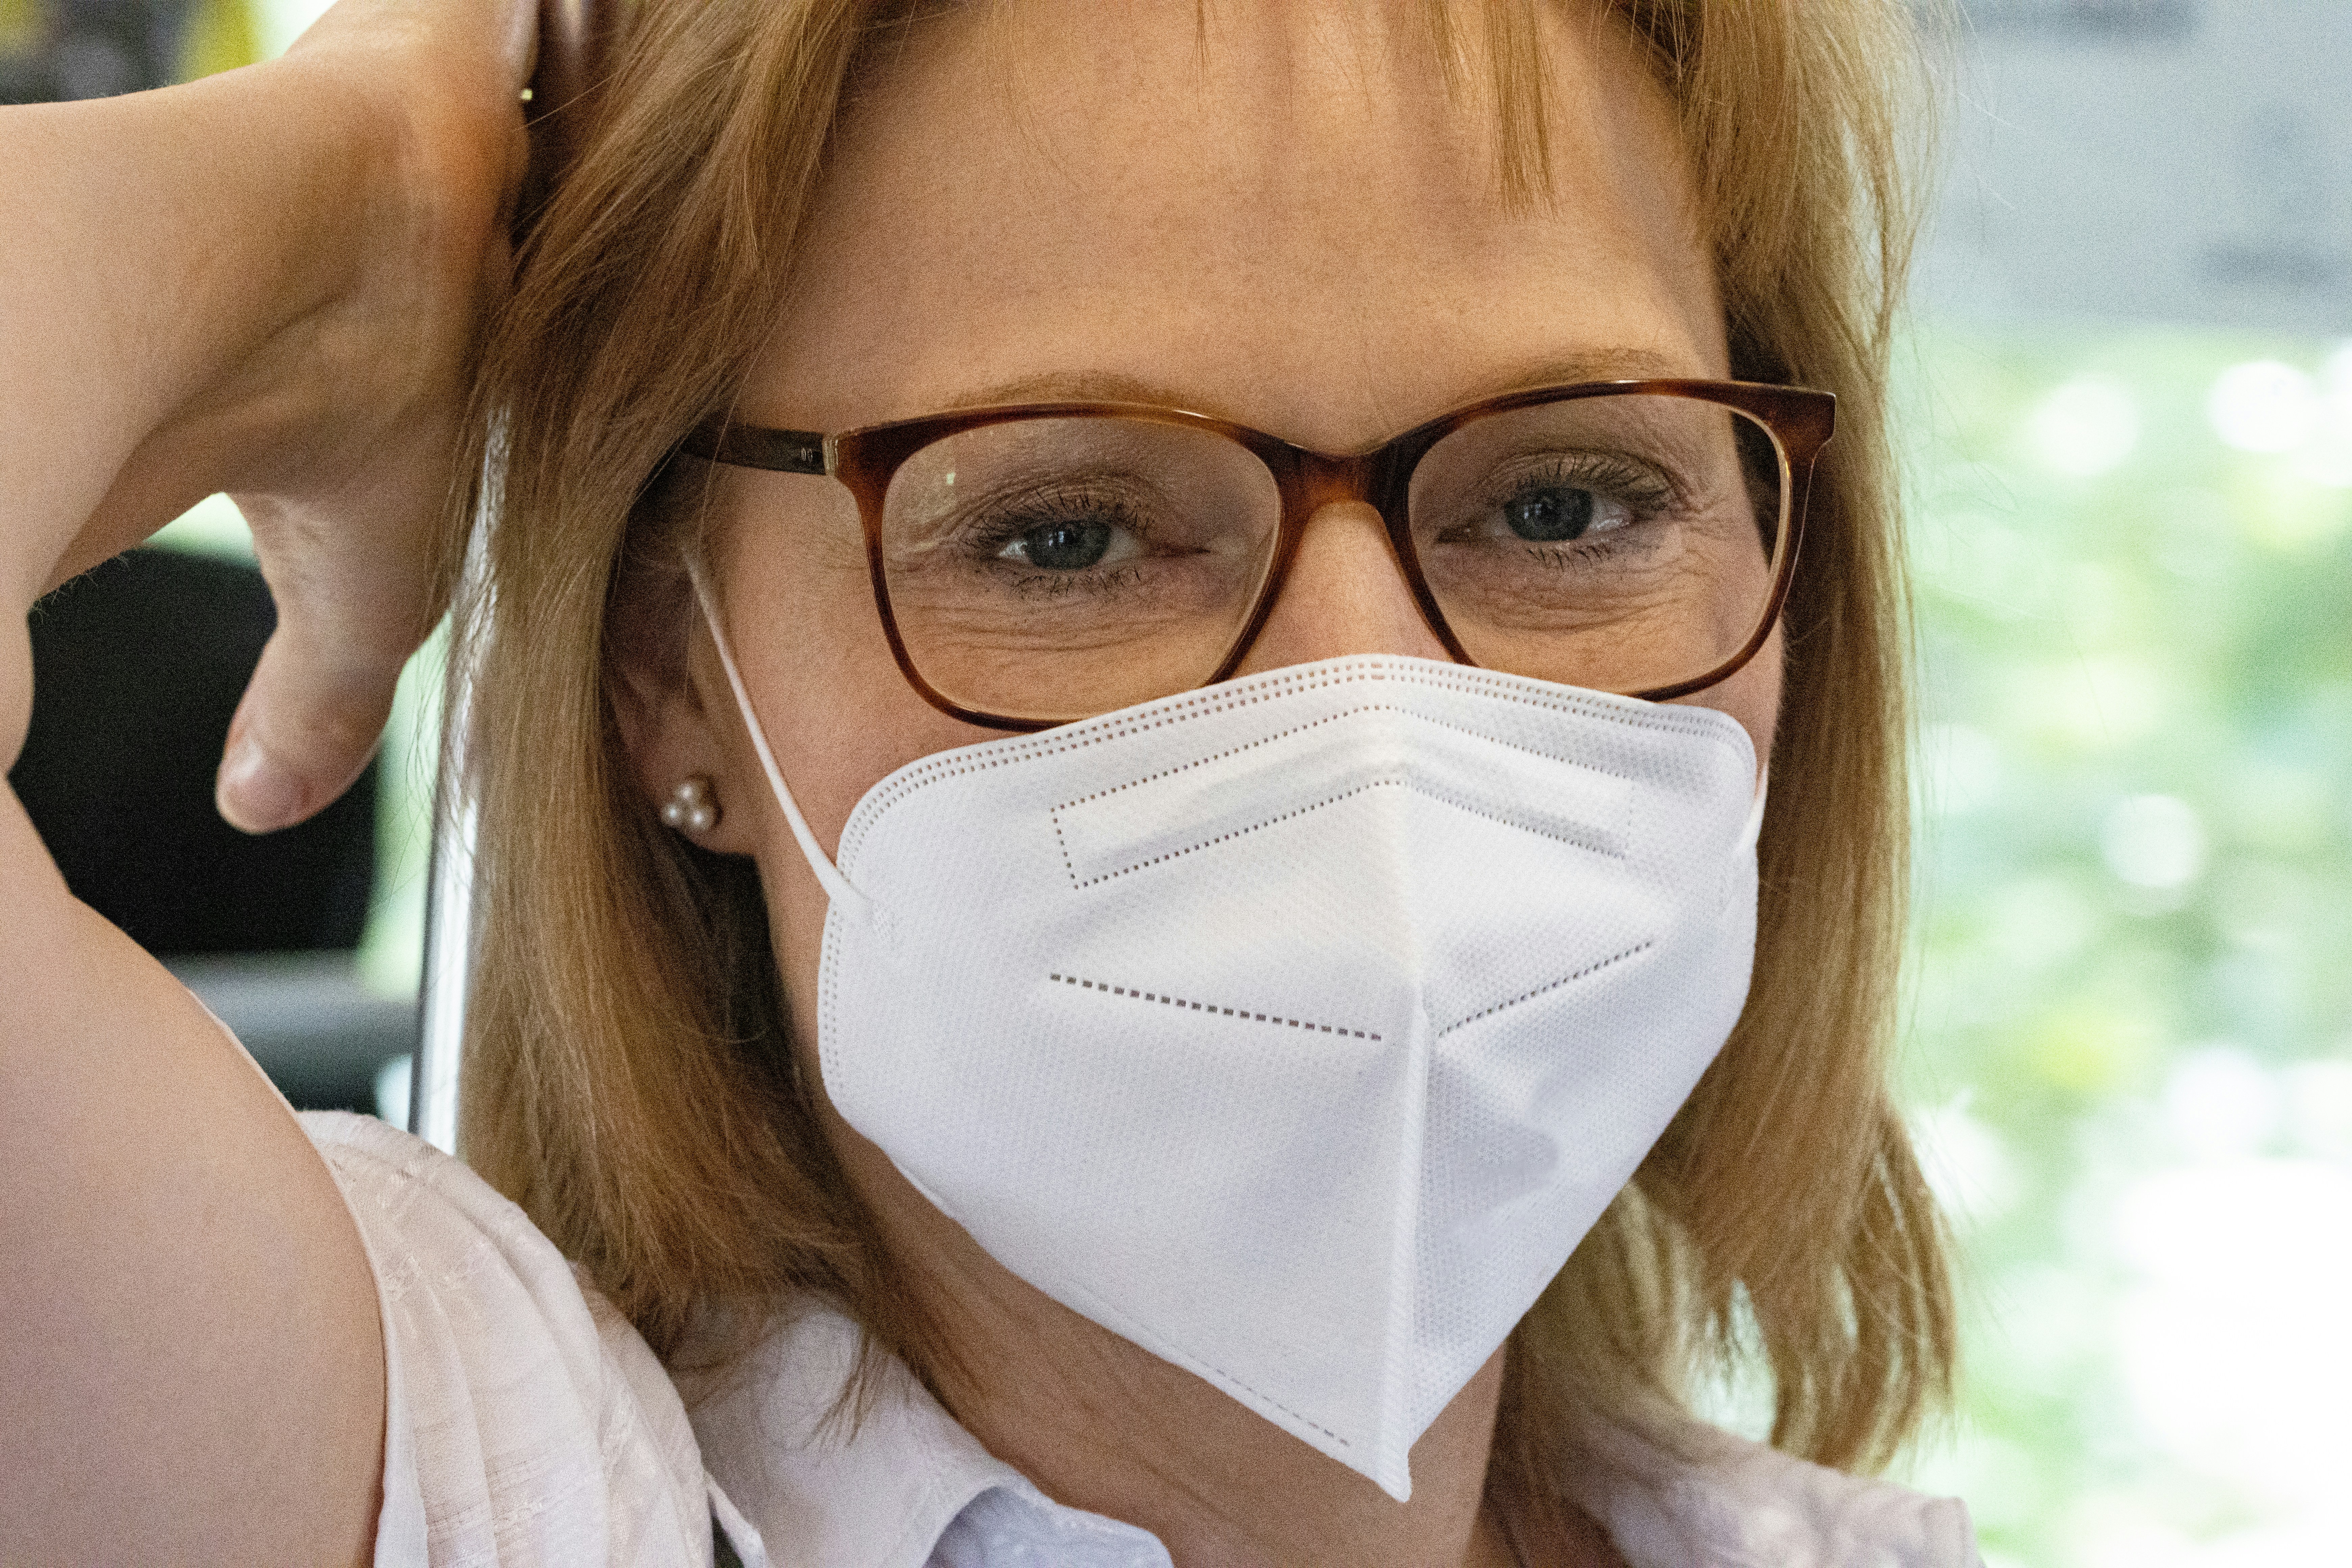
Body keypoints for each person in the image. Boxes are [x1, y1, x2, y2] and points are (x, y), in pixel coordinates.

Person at [0, 0, 1974, 1563]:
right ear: (666, 677)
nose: (1371, 705)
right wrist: (365, 178)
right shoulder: (414, 1477)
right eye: (1064, 535)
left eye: (1566, 500)